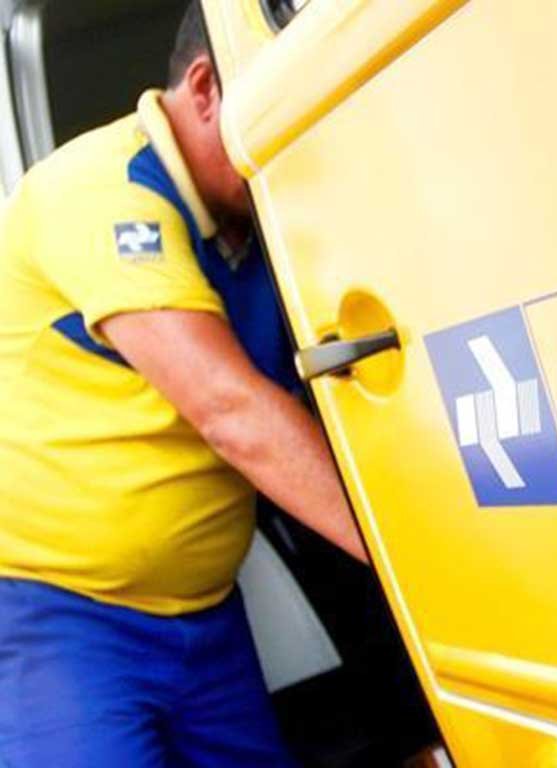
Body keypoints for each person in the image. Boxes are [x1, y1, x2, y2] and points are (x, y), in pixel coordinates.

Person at [0, 3, 367, 766]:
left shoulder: (266, 216)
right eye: (276, 104)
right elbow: (229, 410)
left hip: (206, 614)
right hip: (58, 617)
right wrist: (418, 568)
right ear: (204, 89)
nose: (296, 138)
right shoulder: (99, 189)